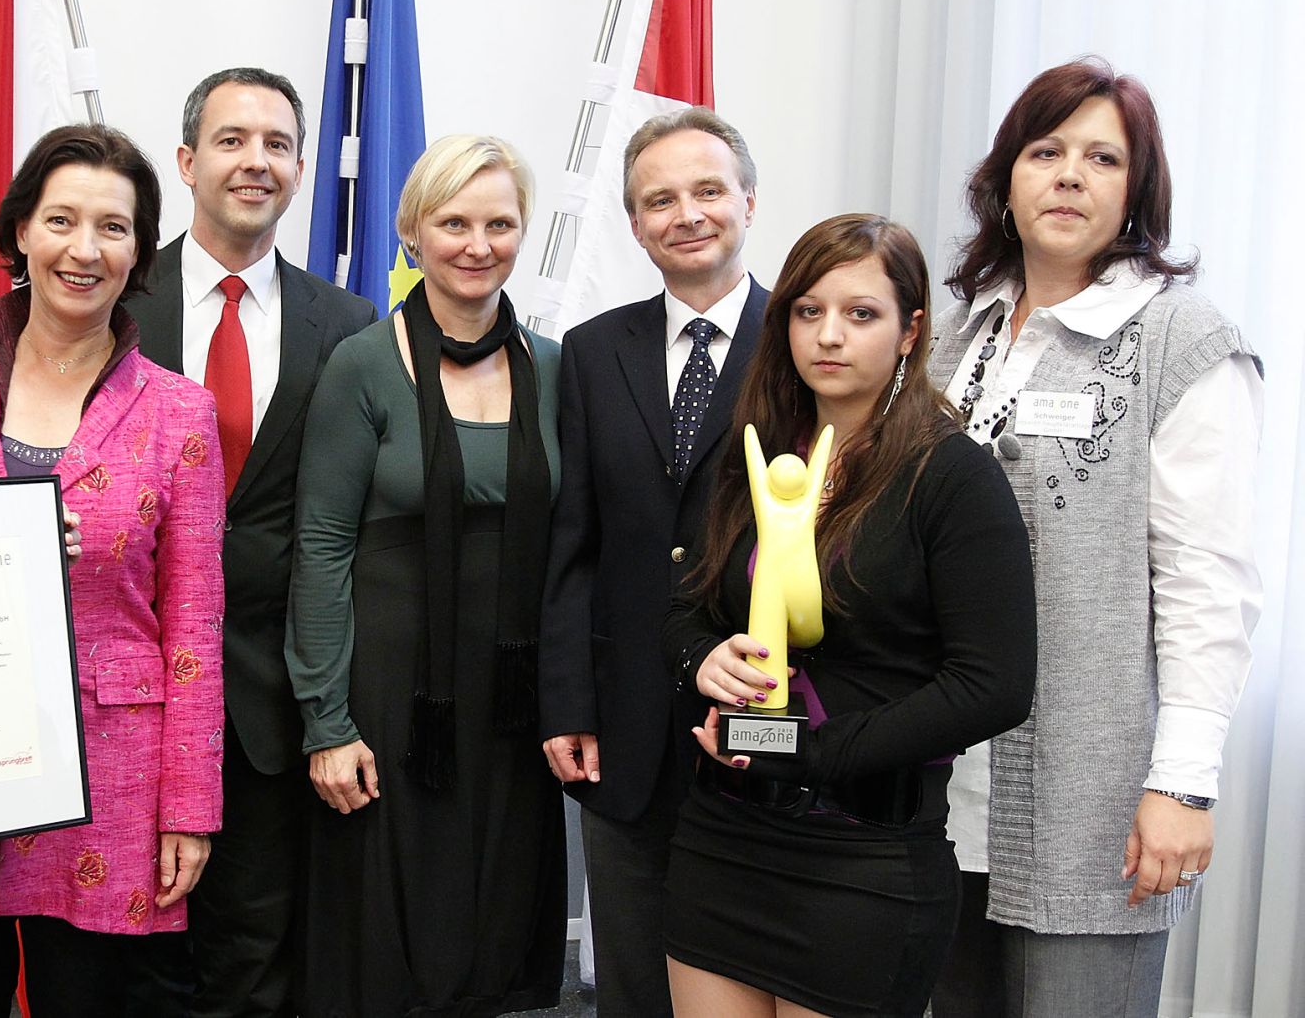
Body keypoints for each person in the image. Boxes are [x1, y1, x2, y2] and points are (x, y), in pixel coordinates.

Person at [927, 58, 1263, 1018]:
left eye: (1102, 158)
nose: (1070, 175)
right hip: (944, 790)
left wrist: (1183, 787)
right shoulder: (958, 337)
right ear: (1005, 181)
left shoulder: (1183, 340)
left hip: (1095, 804)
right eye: (1045, 151)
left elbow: (1207, 581)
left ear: (1136, 191)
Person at [660, 214, 1038, 1018]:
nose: (829, 335)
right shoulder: (760, 453)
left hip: (865, 862)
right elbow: (686, 607)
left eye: (861, 313)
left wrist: (815, 752)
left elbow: (994, 686)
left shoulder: (951, 475)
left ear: (911, 331)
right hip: (722, 840)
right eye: (808, 310)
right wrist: (701, 658)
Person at [0, 123, 226, 1017]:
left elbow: (195, 623)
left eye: (113, 227)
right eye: (61, 220)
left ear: (139, 251)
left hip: (114, 774)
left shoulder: (180, 412)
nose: (84, 249)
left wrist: (189, 807)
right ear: (21, 228)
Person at [287, 133, 565, 1016]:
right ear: (412, 231)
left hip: (513, 705)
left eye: (499, 224)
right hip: (392, 704)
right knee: (391, 948)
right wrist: (326, 721)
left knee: (492, 933)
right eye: (454, 223)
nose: (478, 244)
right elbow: (321, 546)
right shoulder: (363, 364)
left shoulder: (556, 366)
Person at [123, 66, 379, 1017]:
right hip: (127, 686)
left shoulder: (348, 325)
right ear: (187, 162)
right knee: (122, 957)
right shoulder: (112, 297)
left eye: (277, 144)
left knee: (254, 959)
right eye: (231, 140)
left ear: (302, 169)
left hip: (270, 700)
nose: (255, 161)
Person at [538, 106, 769, 1017]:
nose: (687, 214)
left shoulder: (806, 341)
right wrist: (569, 702)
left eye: (708, 190)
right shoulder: (593, 351)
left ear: (748, 201)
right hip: (624, 728)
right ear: (635, 225)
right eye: (660, 200)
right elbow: (574, 543)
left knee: (748, 978)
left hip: (760, 721)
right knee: (633, 982)